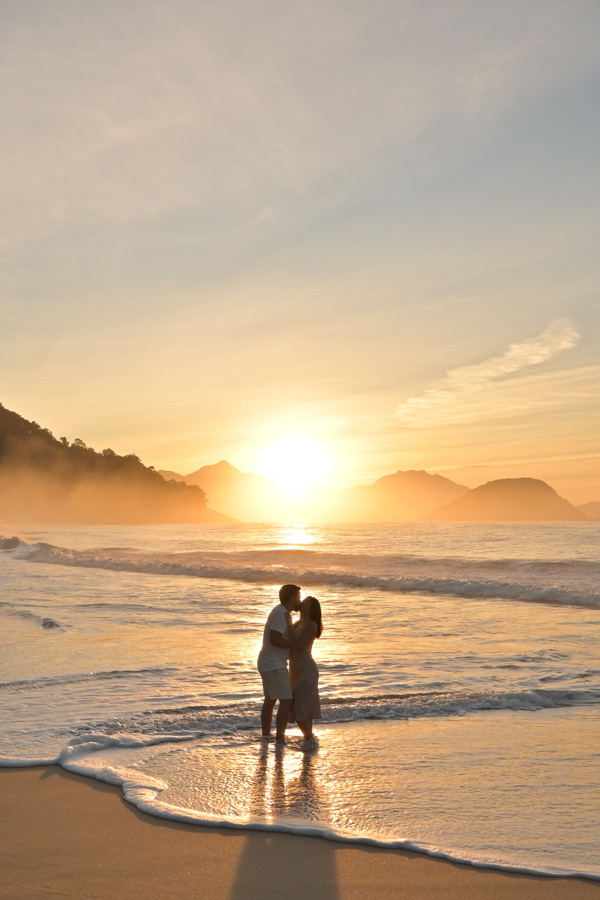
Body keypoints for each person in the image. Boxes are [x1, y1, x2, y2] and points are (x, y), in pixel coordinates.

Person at [257, 583, 302, 742]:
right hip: (274, 664)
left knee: (270, 700)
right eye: (298, 597)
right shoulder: (281, 614)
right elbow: (274, 638)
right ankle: (279, 738)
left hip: (269, 663)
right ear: (291, 598)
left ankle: (266, 735)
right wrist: (294, 645)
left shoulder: (280, 612)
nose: (299, 601)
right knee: (286, 700)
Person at [289, 595, 322, 747]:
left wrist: (288, 624)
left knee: (301, 710)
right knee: (305, 709)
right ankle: (309, 744)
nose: (301, 603)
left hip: (307, 670)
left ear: (311, 608)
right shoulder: (296, 623)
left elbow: (299, 644)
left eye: (306, 602)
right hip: (295, 669)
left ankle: (311, 742)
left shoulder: (311, 625)